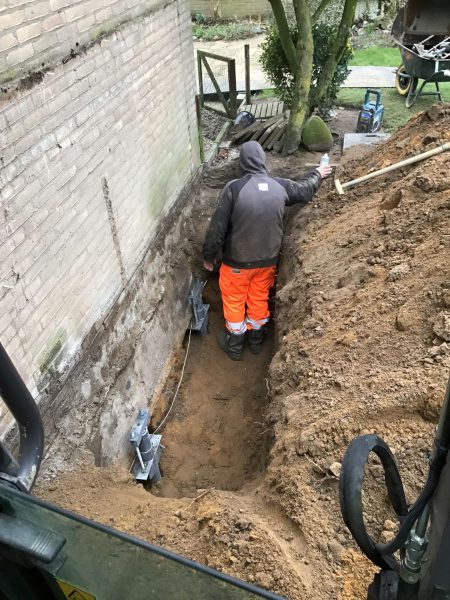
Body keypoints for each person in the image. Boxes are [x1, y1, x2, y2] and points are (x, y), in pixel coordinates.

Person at [202, 140, 332, 361]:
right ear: (263, 160)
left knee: (234, 300)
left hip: (236, 264)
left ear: (242, 163)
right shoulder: (279, 185)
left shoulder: (234, 188)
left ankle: (235, 343)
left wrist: (209, 256)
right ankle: (256, 339)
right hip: (268, 262)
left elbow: (217, 229)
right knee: (259, 297)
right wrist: (318, 174)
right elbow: (304, 190)